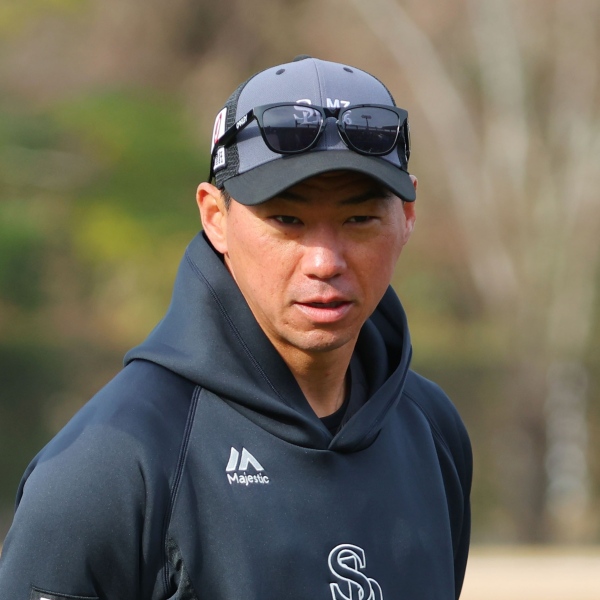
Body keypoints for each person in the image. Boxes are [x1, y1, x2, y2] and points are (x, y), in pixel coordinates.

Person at [0, 55, 472, 600]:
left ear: (407, 218)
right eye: (287, 219)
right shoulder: (109, 465)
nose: (325, 261)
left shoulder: (433, 431)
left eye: (359, 219)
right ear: (215, 217)